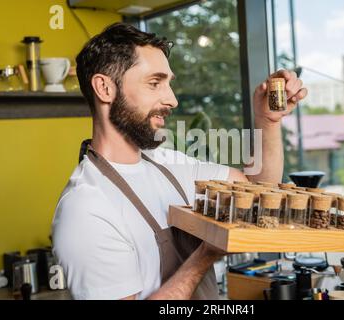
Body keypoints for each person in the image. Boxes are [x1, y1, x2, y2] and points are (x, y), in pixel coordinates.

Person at [52, 22, 307, 300]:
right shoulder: (86, 208)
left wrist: (268, 121)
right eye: (154, 83)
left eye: (168, 84)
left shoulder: (169, 165)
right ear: (104, 88)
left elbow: (260, 190)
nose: (172, 99)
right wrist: (205, 255)